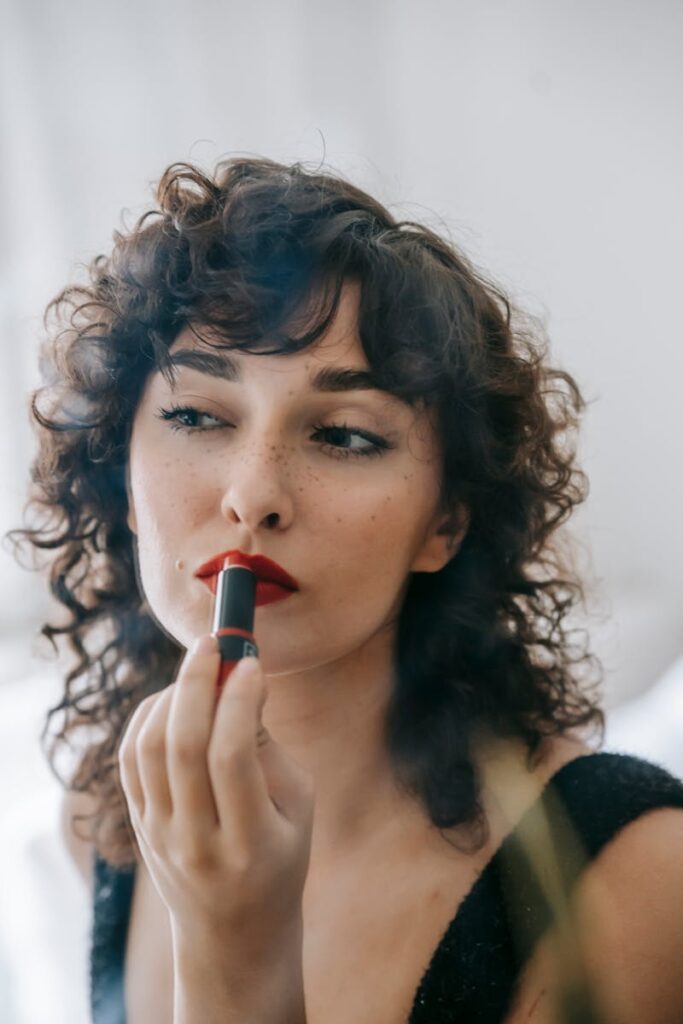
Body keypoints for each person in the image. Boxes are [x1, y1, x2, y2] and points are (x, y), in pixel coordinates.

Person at [8, 156, 683, 1024]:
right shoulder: (103, 813)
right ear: (122, 475)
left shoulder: (632, 883)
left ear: (445, 523)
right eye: (196, 416)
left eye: (343, 435)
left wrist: (236, 960)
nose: (253, 494)